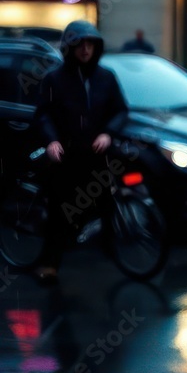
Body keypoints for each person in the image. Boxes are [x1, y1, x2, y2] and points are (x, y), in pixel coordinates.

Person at [33, 20, 127, 284]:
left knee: (105, 201)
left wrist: (108, 133)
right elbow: (43, 114)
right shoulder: (55, 78)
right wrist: (51, 141)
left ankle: (107, 248)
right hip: (66, 153)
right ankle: (49, 263)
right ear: (69, 47)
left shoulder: (106, 77)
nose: (85, 50)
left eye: (90, 45)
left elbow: (120, 110)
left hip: (96, 153)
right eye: (80, 45)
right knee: (59, 209)